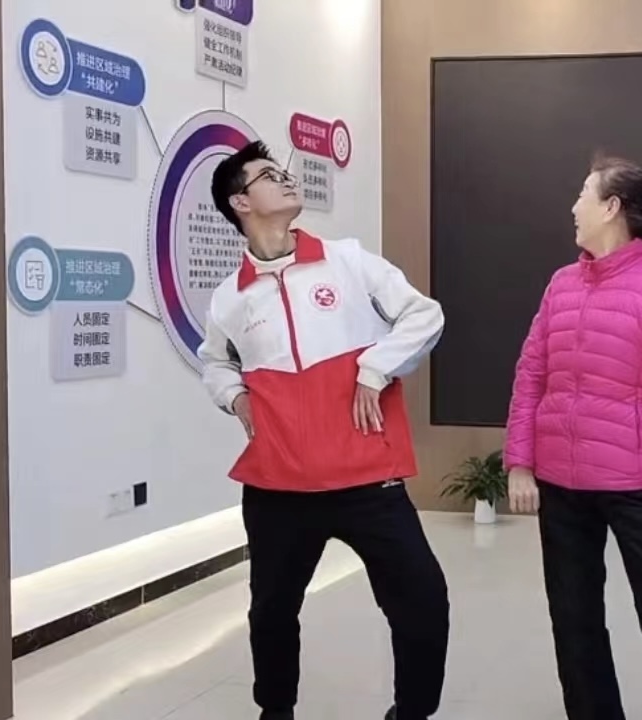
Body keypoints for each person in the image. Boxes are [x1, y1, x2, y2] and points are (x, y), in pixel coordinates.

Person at [197, 141, 448, 720]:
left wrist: (375, 368)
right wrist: (235, 396)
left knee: (422, 601)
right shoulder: (230, 296)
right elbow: (214, 361)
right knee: (271, 613)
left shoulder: (348, 260)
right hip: (278, 487)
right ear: (240, 203)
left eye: (284, 171)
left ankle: (412, 712)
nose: (286, 179)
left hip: (368, 478)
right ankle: (276, 710)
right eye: (268, 176)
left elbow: (424, 314)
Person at [504, 155, 642, 720]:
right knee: (573, 620)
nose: (574, 206)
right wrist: (520, 462)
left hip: (637, 487)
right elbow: (530, 374)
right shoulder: (561, 284)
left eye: (583, 193)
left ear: (611, 207)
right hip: (561, 485)